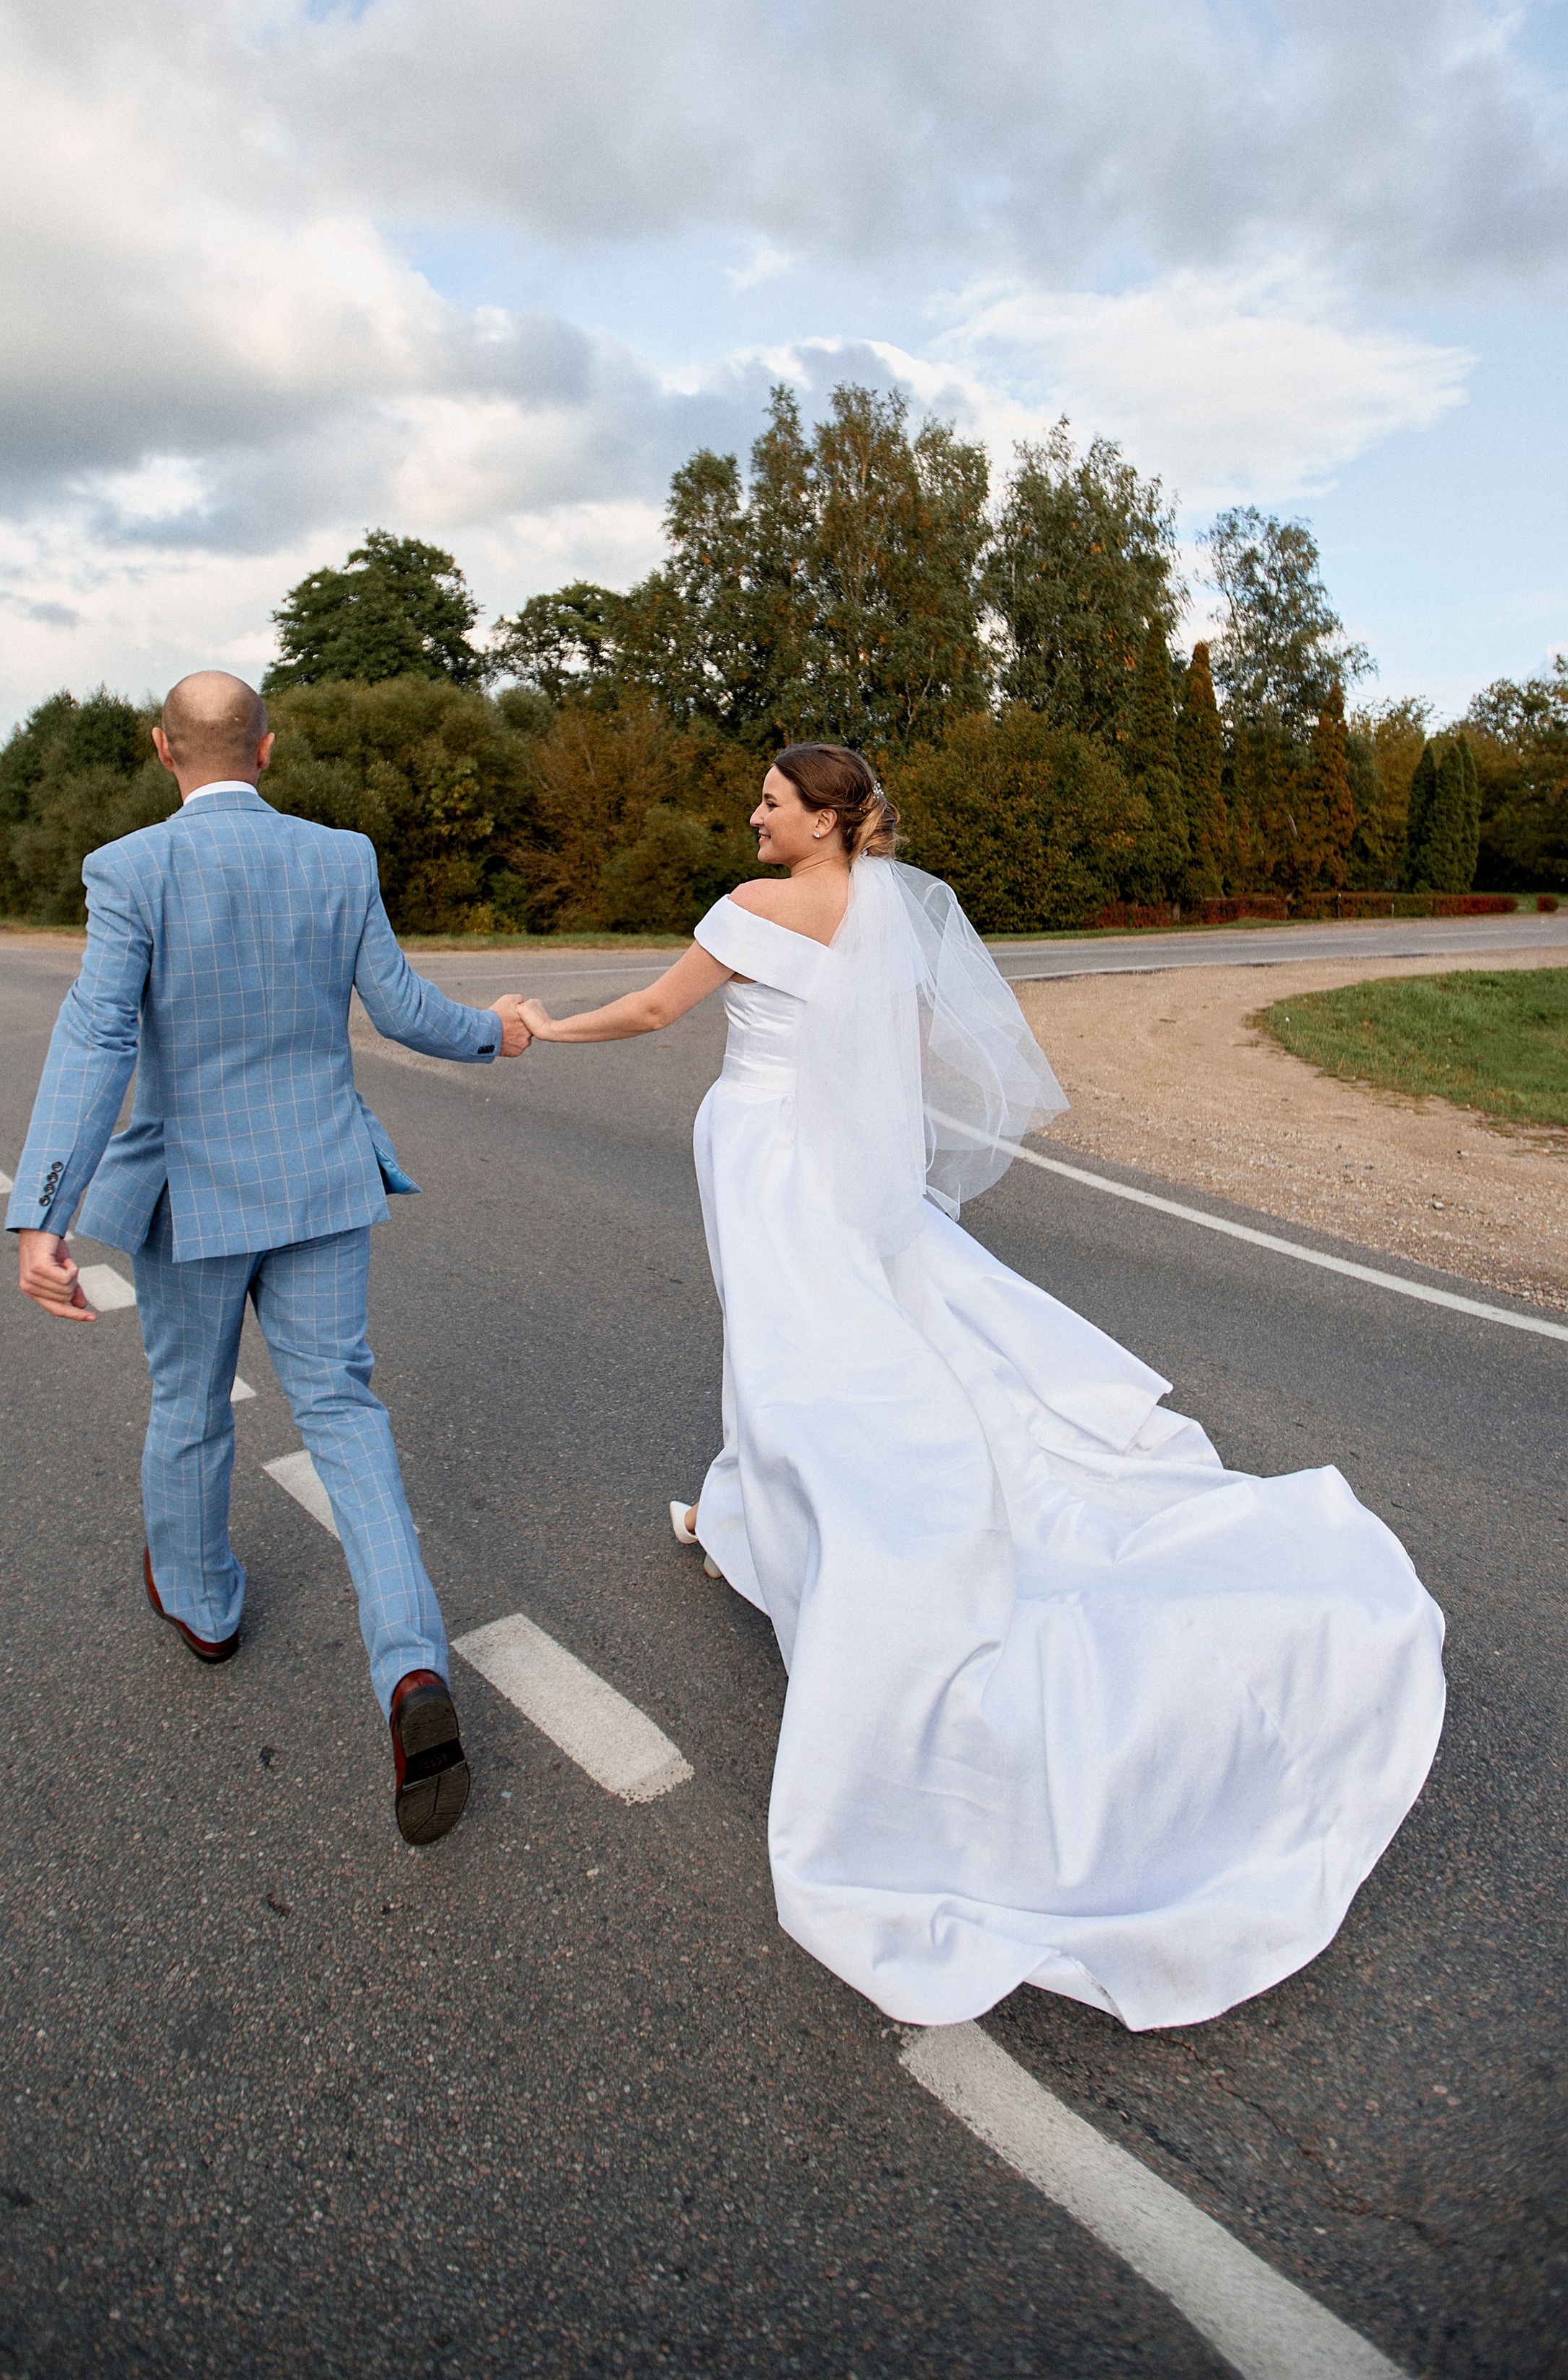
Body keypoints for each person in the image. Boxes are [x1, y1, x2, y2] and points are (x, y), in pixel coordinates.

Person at [518, 742, 1446, 2029]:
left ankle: (815, 1542)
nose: (753, 816)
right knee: (839, 1344)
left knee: (794, 1361)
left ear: (825, 820)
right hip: (842, 1161)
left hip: (764, 1152)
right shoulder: (889, 910)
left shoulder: (750, 910)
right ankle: (752, 1515)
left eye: (773, 803)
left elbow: (653, 1014)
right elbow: (895, 1062)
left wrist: (546, 1025)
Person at [6, 670, 532, 1849]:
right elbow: (400, 1012)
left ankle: (203, 1609)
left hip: (193, 1203)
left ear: (162, 752)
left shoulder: (130, 870)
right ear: (267, 748)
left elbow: (95, 1041)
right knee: (344, 1413)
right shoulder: (339, 856)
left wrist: (46, 1210)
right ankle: (409, 1670)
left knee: (190, 1407)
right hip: (322, 1182)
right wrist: (494, 1032)